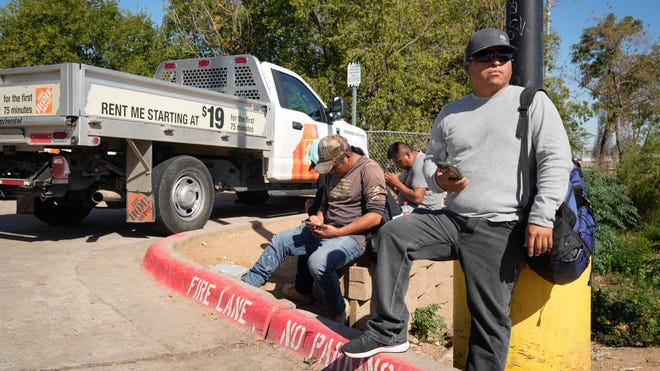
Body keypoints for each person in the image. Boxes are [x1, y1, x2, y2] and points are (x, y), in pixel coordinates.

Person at [341, 27, 573, 370]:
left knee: (489, 318)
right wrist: (439, 178)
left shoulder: (531, 102)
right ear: (467, 67)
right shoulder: (451, 112)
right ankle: (390, 329)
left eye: (503, 56)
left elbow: (556, 161)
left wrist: (541, 216)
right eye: (485, 56)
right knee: (393, 234)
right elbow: (431, 161)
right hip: (453, 220)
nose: (495, 61)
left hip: (501, 226)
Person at [242, 135, 387, 322]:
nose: (332, 172)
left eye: (334, 167)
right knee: (280, 240)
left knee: (318, 263)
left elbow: (375, 216)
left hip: (351, 237)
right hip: (327, 230)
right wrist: (318, 218)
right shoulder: (330, 173)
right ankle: (248, 285)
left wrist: (338, 232)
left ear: (348, 156)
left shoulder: (369, 170)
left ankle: (338, 310)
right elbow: (324, 205)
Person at [384, 142, 445, 210]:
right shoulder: (407, 166)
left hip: (426, 211)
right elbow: (405, 195)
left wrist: (397, 183)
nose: (398, 166)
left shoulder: (421, 165)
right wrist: (392, 185)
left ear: (408, 155)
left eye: (399, 162)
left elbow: (418, 198)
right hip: (410, 206)